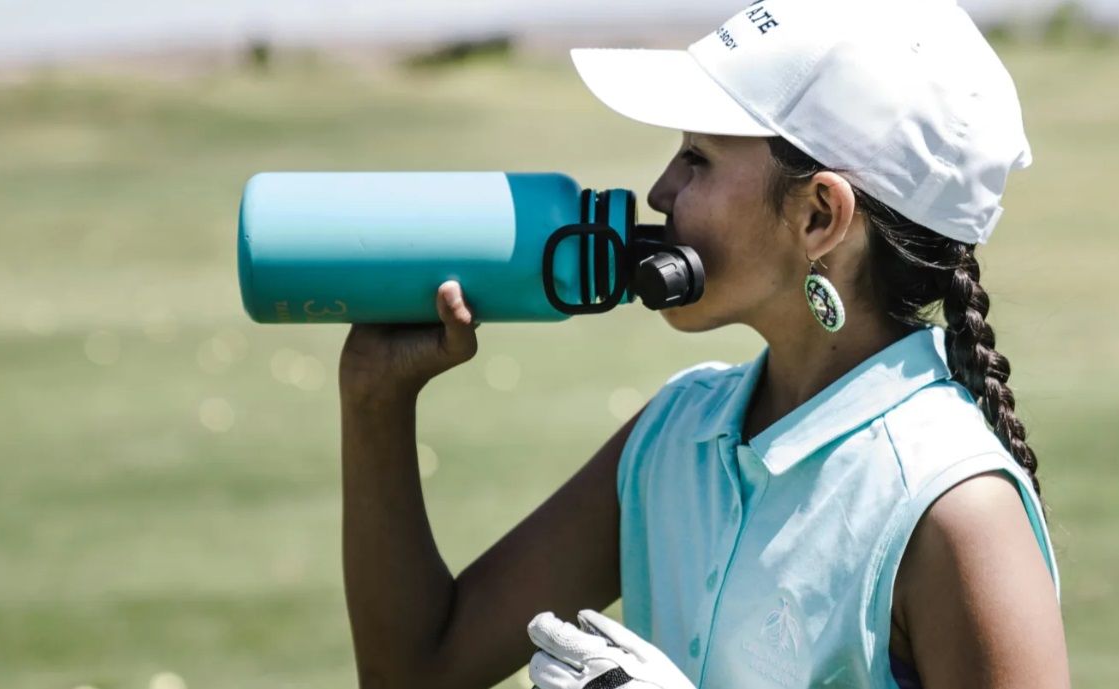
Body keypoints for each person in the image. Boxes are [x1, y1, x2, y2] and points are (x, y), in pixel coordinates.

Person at [334, 0, 1068, 686]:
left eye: (697, 159)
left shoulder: (956, 507)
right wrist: (375, 397)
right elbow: (417, 667)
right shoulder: (673, 434)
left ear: (818, 216)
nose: (657, 191)